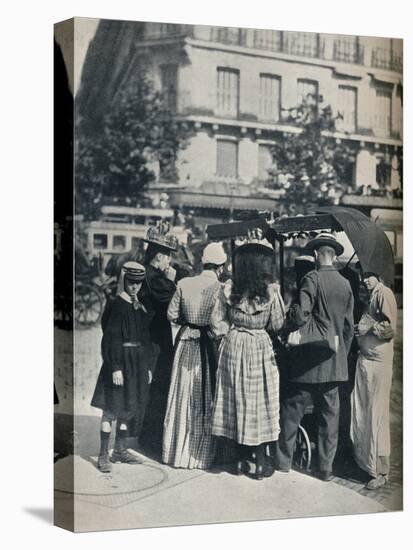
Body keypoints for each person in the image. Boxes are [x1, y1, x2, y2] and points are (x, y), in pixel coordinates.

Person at [276, 233, 354, 481]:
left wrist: (291, 316)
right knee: (329, 418)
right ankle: (325, 468)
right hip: (334, 362)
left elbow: (301, 316)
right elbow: (349, 328)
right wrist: (340, 351)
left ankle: (283, 462)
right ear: (333, 255)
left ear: (319, 254)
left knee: (291, 410)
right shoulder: (345, 284)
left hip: (308, 362)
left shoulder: (311, 278)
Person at [210, 232, 285, 480]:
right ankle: (262, 462)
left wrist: (229, 335)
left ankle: (238, 460)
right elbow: (276, 324)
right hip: (260, 346)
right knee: (261, 401)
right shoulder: (271, 291)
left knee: (235, 398)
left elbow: (216, 323)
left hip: (234, 344)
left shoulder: (230, 288)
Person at [162, 242, 227, 469]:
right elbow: (218, 327)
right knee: (201, 395)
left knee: (181, 393)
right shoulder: (219, 288)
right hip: (205, 346)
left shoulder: (184, 282)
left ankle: (174, 452)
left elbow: (171, 314)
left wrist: (186, 321)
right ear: (220, 267)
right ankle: (198, 455)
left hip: (185, 343)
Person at [91, 262, 158, 473]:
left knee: (128, 408)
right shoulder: (117, 305)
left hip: (136, 365)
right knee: (111, 409)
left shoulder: (138, 306)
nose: (135, 287)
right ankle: (104, 453)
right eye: (131, 282)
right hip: (119, 363)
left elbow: (145, 339)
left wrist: (147, 366)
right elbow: (110, 339)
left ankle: (120, 450)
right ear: (124, 281)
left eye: (138, 283)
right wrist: (115, 367)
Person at [350, 271, 397, 490]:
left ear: (378, 275)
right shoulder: (370, 295)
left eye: (369, 275)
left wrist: (369, 328)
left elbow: (389, 329)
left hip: (378, 363)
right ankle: (365, 464)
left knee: (376, 415)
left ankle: (380, 471)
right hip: (367, 360)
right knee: (363, 413)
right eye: (362, 275)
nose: (365, 279)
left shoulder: (383, 293)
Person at [139, 222, 179, 455]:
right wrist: (175, 279)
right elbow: (175, 300)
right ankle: (151, 439)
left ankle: (144, 434)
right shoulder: (155, 278)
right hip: (156, 340)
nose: (169, 261)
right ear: (159, 256)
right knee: (159, 388)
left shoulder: (144, 272)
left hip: (149, 337)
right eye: (168, 257)